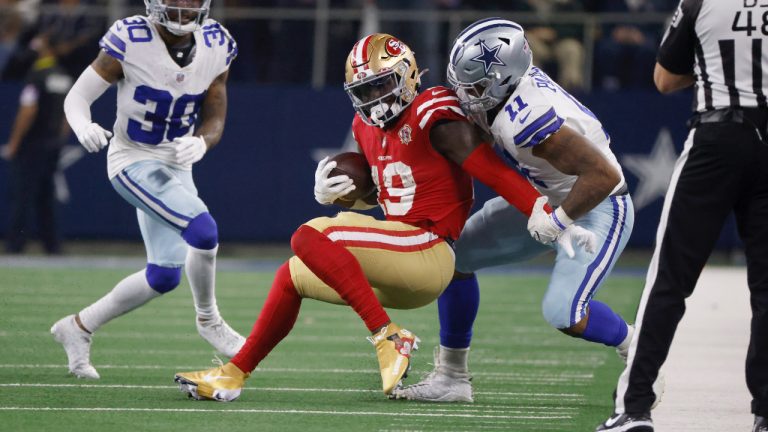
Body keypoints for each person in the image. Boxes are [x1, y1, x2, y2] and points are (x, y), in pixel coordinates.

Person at [173, 32, 596, 402]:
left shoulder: (435, 113)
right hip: (400, 248)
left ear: (409, 74)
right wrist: (342, 199)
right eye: (366, 91)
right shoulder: (365, 129)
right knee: (292, 274)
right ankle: (233, 375)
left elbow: (495, 173)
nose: (375, 99)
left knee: (308, 235)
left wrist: (547, 214)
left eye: (382, 85)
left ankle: (388, 335)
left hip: (430, 250)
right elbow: (392, 196)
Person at [393, 18, 653, 404]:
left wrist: (559, 220)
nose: (464, 95)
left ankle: (642, 353)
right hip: (547, 197)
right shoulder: (502, 91)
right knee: (453, 260)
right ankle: (452, 377)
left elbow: (603, 174)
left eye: (475, 87)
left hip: (599, 205)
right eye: (460, 82)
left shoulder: (527, 115)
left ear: (503, 79)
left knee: (564, 312)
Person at [595, 1, 768, 430]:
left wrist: (713, 67)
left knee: (669, 279)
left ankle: (634, 406)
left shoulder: (701, 2)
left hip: (717, 136)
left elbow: (665, 78)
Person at [50, 0, 245, 380]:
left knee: (163, 275)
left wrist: (203, 142)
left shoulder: (217, 42)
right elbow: (77, 97)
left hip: (177, 162)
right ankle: (209, 319)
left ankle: (77, 327)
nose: (186, 5)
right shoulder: (131, 38)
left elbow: (215, 113)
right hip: (133, 160)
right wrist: (82, 125)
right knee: (203, 231)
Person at [2, 32, 71, 254]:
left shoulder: (37, 74)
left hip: (32, 144)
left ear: (47, 47)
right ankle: (52, 245)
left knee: (23, 194)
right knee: (46, 196)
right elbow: (68, 115)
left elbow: (27, 111)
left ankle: (15, 245)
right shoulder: (63, 76)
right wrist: (59, 139)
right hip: (53, 144)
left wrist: (14, 142)